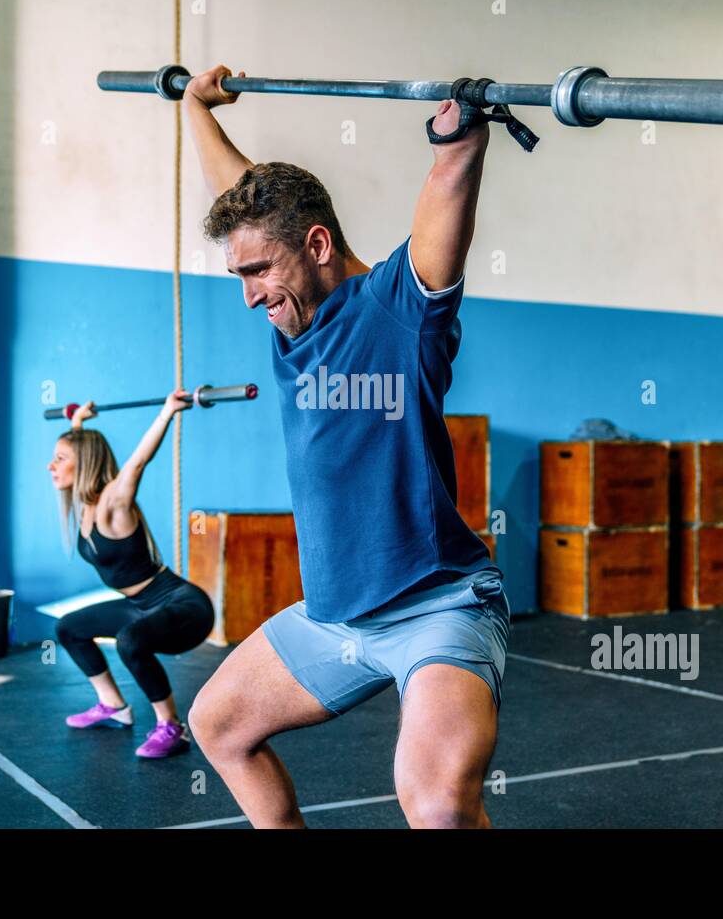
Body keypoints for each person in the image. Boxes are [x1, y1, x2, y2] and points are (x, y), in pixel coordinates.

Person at [182, 65, 510, 826]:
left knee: (433, 798)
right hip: (334, 620)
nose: (250, 294)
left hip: (438, 607)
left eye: (258, 271)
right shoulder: (291, 312)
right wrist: (196, 106)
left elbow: (445, 200)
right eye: (240, 273)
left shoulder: (397, 310)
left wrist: (456, 140)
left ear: (318, 244)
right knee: (217, 723)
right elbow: (242, 193)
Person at [48, 392, 215, 759]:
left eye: (60, 459)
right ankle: (113, 707)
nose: (51, 466)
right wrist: (78, 423)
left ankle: (172, 727)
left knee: (129, 640)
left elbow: (138, 463)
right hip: (140, 606)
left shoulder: (113, 501)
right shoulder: (87, 504)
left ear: (83, 464)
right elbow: (83, 449)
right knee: (68, 627)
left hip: (184, 607)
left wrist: (168, 411)